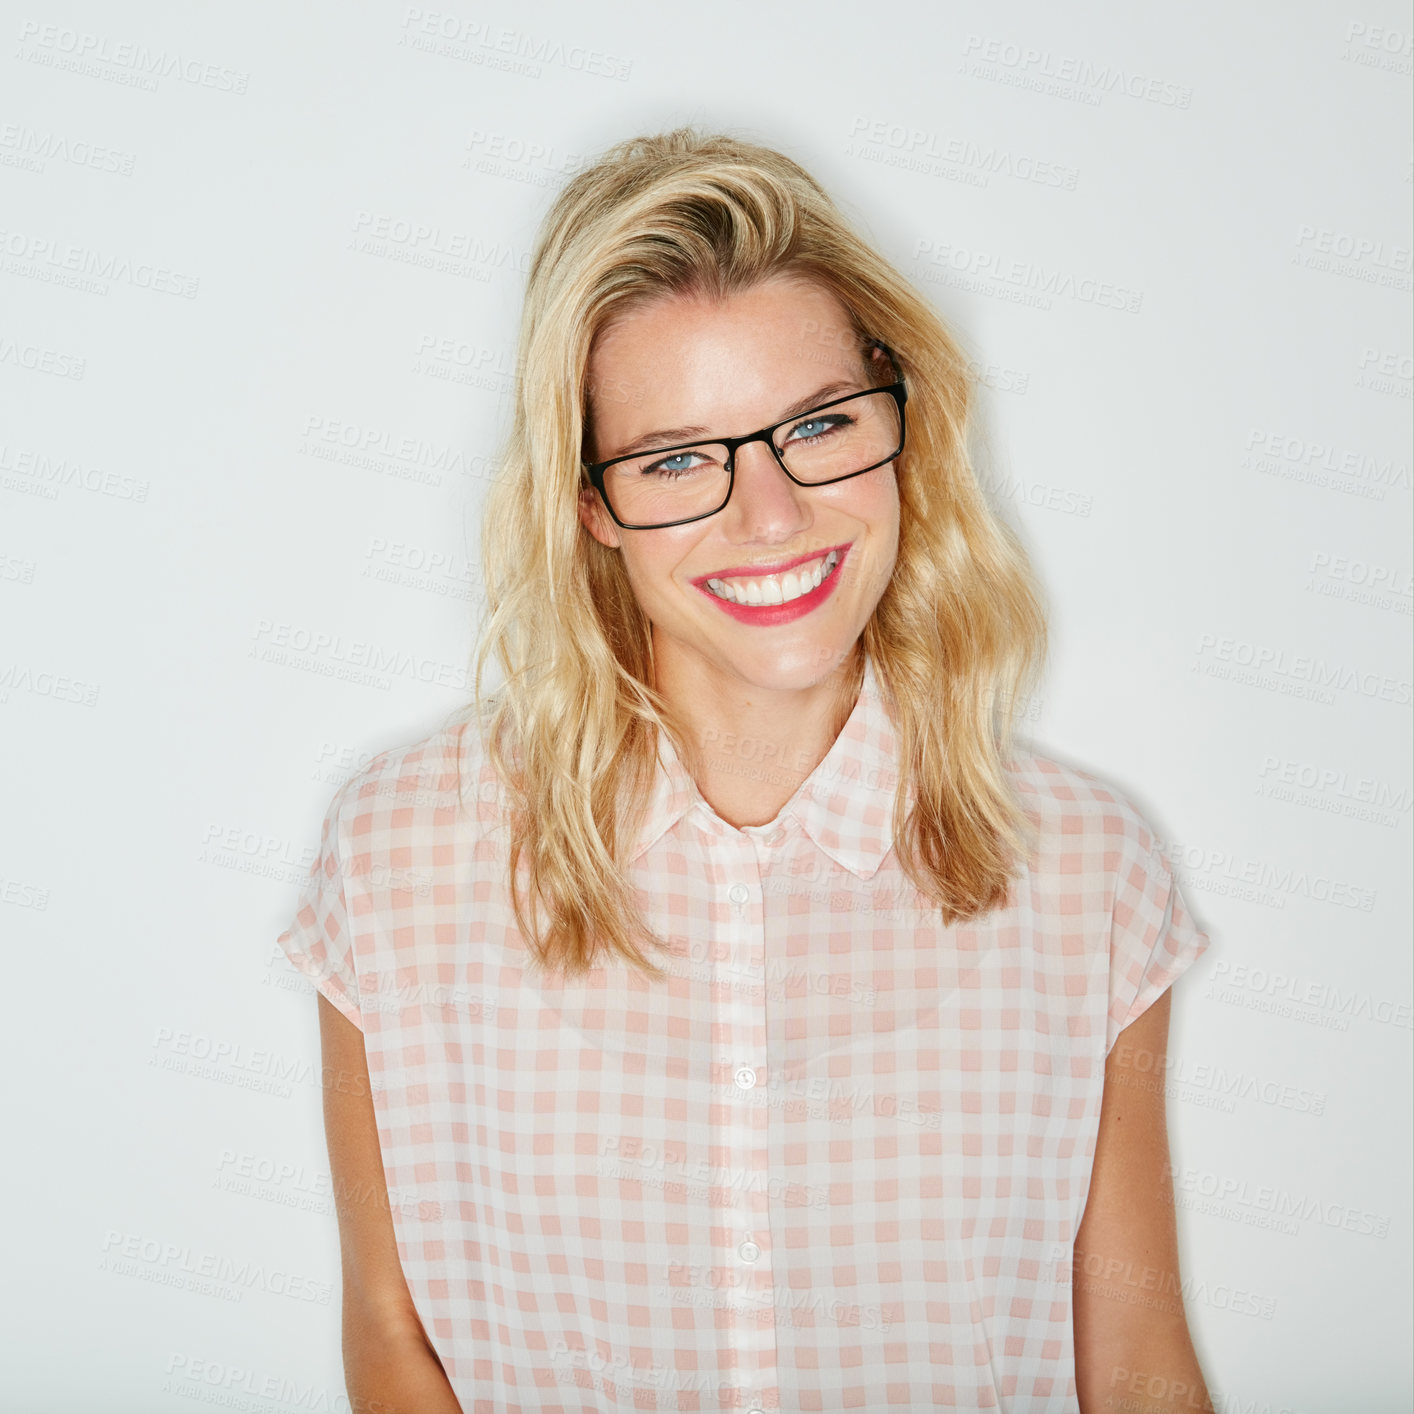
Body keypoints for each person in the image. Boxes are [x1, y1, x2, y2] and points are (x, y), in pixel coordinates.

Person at [277, 126, 1215, 1413]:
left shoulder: (1088, 868)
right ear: (589, 503)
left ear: (901, 425)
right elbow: (390, 1336)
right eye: (676, 458)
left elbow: (1140, 1367)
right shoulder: (401, 850)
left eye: (817, 424)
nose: (770, 515)